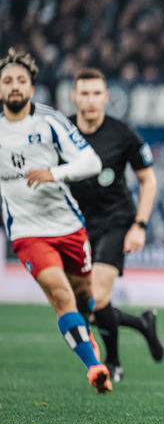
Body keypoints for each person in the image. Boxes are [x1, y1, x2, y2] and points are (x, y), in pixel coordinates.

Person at [0, 48, 109, 393]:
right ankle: (94, 367)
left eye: (20, 81)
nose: (14, 87)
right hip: (27, 233)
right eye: (7, 81)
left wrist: (53, 173)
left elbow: (91, 163)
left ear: (32, 88)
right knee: (61, 296)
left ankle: (84, 329)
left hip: (67, 226)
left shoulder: (50, 121)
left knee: (83, 297)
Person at [68, 68, 164, 383]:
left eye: (97, 93)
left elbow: (148, 181)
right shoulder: (62, 132)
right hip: (78, 226)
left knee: (97, 296)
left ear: (107, 97)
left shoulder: (122, 134)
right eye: (85, 93)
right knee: (89, 308)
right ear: (74, 96)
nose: (91, 100)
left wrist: (139, 224)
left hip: (116, 221)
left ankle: (113, 363)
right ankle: (142, 324)